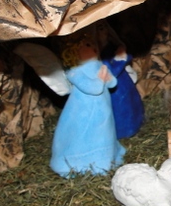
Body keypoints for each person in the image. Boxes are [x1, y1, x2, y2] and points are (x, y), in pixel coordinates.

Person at [50, 33, 125, 177]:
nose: (94, 48)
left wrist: (108, 77)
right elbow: (93, 88)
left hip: (103, 111)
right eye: (88, 46)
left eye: (92, 45)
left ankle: (107, 159)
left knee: (104, 133)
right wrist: (101, 78)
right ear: (75, 51)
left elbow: (113, 83)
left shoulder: (99, 65)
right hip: (85, 113)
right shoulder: (75, 72)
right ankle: (87, 162)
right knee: (88, 135)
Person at [95, 20, 144, 139]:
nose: (103, 31)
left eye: (104, 28)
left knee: (132, 103)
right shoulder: (97, 55)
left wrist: (122, 53)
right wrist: (120, 59)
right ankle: (123, 131)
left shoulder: (111, 46)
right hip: (114, 91)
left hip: (124, 83)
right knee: (120, 110)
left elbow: (127, 57)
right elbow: (109, 73)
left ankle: (136, 123)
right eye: (99, 29)